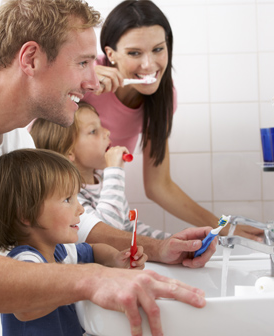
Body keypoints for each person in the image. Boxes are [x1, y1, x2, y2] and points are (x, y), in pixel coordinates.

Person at [0, 1, 214, 335]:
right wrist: (91, 278)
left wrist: (158, 248)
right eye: (83, 63)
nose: (93, 82)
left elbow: (80, 222)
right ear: (31, 58)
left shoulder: (16, 138)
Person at [82, 0, 263, 241]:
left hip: (100, 199)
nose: (149, 65)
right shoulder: (85, 75)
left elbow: (159, 186)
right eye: (135, 53)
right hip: (62, 194)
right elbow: (40, 137)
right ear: (110, 54)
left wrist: (223, 227)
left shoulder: (163, 98)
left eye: (158, 49)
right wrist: (76, 82)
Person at [0, 148, 148, 335]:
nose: (80, 210)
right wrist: (85, 287)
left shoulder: (61, 251)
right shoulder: (25, 260)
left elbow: (93, 250)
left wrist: (116, 258)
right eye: (68, 199)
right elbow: (27, 308)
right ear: (26, 213)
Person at [30, 101, 171, 240]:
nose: (107, 132)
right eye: (93, 131)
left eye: (101, 126)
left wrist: (170, 241)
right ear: (70, 152)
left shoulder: (102, 179)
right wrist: (114, 171)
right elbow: (110, 233)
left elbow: (128, 226)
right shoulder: (69, 195)